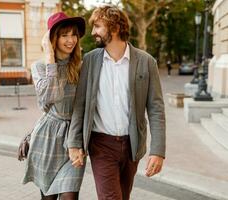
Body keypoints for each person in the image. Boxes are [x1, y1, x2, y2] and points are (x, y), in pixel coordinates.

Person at [67, 5, 166, 200]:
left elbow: (156, 109)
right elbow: (80, 105)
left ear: (114, 28)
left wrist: (158, 151)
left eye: (97, 26)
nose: (93, 32)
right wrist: (73, 143)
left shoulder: (146, 62)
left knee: (123, 196)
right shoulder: (90, 61)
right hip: (101, 145)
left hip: (133, 145)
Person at [20, 12, 86, 200]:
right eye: (64, 35)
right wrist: (49, 56)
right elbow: (52, 96)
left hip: (73, 138)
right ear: (52, 38)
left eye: (73, 34)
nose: (71, 40)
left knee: (69, 196)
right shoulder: (39, 67)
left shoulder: (81, 66)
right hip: (47, 138)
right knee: (48, 197)